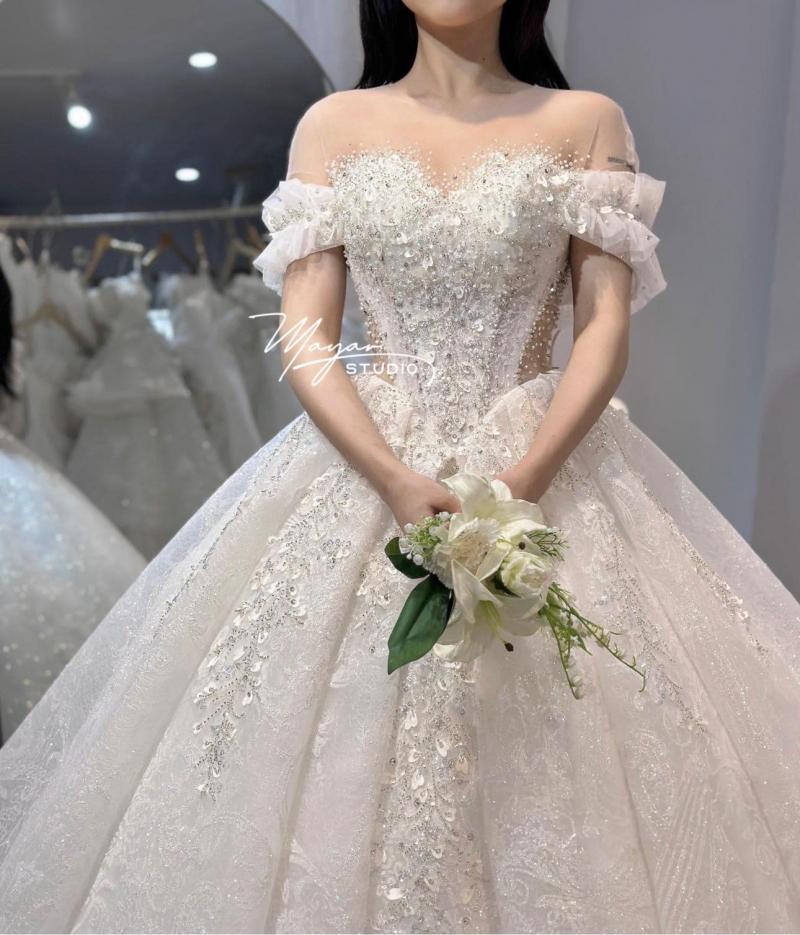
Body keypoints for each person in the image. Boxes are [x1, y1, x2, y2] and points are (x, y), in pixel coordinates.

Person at [1, 1, 799, 932]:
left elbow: (604, 328)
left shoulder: (586, 121)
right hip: (370, 469)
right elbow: (306, 335)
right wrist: (387, 475)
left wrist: (524, 481)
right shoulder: (333, 126)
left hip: (541, 464)